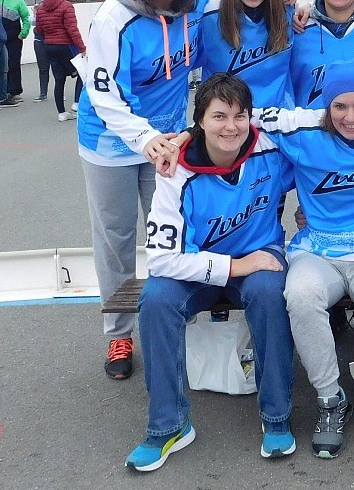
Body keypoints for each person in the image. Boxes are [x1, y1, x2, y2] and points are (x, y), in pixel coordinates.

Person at [125, 73, 296, 471]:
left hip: (258, 256)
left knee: (269, 292)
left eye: (239, 116)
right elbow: (161, 260)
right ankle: (168, 425)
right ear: (199, 120)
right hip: (198, 266)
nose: (230, 127)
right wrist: (235, 265)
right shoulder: (174, 169)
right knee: (156, 300)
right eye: (218, 116)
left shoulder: (271, 147)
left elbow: (318, 139)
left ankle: (276, 415)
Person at [77, 0, 210, 379]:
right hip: (110, 142)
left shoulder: (197, 0)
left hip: (166, 141)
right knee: (115, 239)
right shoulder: (114, 17)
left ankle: (176, 321)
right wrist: (142, 137)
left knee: (174, 230)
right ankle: (119, 333)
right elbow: (104, 91)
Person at [255, 61, 354, 459]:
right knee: (301, 297)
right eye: (339, 106)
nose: (350, 117)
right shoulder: (303, 132)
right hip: (318, 249)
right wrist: (185, 134)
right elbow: (240, 116)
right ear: (326, 106)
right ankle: (330, 397)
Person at [200, 0, 295, 109]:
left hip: (278, 120)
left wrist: (308, 9)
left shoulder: (288, 10)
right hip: (229, 120)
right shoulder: (208, 14)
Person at [34, 0, 85, 122]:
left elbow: (39, 29)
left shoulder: (40, 9)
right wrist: (82, 48)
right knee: (82, 72)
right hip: (66, 45)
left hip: (49, 46)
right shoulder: (66, 6)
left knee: (59, 79)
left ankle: (61, 113)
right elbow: (72, 29)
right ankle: (76, 102)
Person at [0, 0, 30, 105]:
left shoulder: (18, 0)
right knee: (2, 67)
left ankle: (15, 91)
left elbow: (26, 17)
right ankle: (3, 92)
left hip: (14, 38)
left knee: (13, 64)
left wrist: (23, 33)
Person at [31, 0, 50, 103]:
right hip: (39, 40)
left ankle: (60, 92)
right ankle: (43, 93)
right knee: (43, 68)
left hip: (52, 40)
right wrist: (35, 14)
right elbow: (33, 23)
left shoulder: (59, 6)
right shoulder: (38, 7)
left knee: (58, 69)